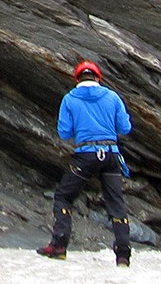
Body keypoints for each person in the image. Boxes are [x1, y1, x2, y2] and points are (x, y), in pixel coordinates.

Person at [36, 59, 134, 266]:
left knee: (64, 196)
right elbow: (124, 128)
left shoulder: (70, 99)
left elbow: (64, 133)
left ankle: (59, 246)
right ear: (98, 77)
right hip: (110, 154)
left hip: (85, 155)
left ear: (77, 78)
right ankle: (123, 255)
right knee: (116, 202)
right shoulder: (112, 97)